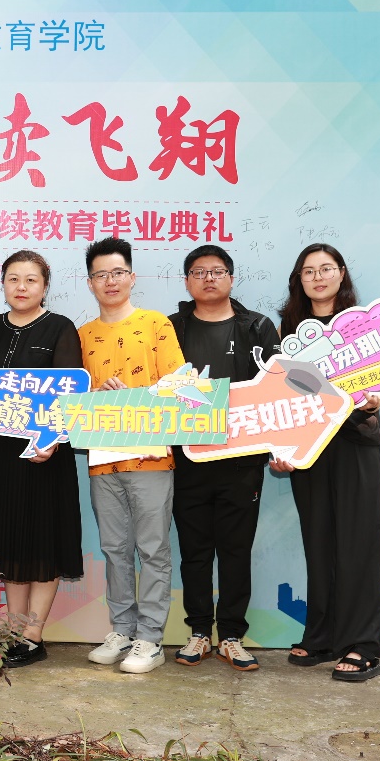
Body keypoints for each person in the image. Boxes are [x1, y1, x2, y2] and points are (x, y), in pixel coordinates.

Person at [272, 243, 380, 682]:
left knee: (358, 543)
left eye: (326, 269)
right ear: (299, 280)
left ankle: (363, 645)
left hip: (355, 439)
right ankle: (321, 636)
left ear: (341, 273)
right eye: (309, 271)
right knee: (318, 542)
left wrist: (378, 398)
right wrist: (279, 449)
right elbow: (276, 395)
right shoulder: (287, 331)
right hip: (309, 446)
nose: (318, 277)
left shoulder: (363, 325)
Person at [0, 250, 83, 669]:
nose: (21, 287)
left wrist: (49, 441)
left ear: (45, 286)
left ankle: (33, 636)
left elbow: (68, 393)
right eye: (13, 279)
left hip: (45, 454)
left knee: (43, 540)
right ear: (2, 284)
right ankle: (14, 631)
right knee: (9, 541)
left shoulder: (60, 327)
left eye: (31, 280)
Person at [168, 245, 281, 672]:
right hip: (188, 459)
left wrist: (280, 446)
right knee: (194, 552)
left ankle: (231, 635)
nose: (209, 279)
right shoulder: (171, 328)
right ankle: (199, 632)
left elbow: (278, 389)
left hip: (242, 460)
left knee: (235, 550)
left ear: (231, 278)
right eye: (199, 272)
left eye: (217, 271)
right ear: (187, 282)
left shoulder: (258, 327)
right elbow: (158, 387)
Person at [78, 237, 185, 674]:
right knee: (114, 549)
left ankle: (151, 639)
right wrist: (96, 394)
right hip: (103, 459)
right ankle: (122, 630)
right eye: (101, 274)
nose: (110, 281)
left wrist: (136, 395)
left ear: (132, 277)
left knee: (153, 549)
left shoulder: (157, 324)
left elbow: (180, 386)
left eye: (118, 272)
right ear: (90, 282)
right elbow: (72, 398)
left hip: (151, 457)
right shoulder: (82, 335)